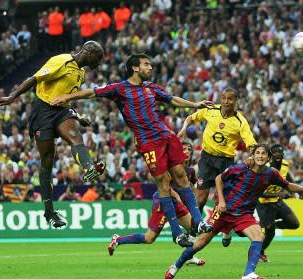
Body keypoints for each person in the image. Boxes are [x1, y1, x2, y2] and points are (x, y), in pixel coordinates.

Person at [50, 53, 214, 246]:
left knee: (182, 177)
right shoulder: (120, 89)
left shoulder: (151, 87)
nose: (150, 67)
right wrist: (68, 96)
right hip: (149, 142)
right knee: (164, 185)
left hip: (167, 136)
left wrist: (194, 105)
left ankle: (199, 221)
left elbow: (172, 99)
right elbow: (91, 93)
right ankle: (177, 233)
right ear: (135, 68)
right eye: (146, 64)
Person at [165, 144, 303, 279]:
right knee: (201, 243)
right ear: (253, 156)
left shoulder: (271, 174)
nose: (260, 156)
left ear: (268, 158)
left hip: (244, 214)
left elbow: (288, 185)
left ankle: (249, 273)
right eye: (258, 153)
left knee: (259, 236)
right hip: (224, 212)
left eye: (263, 153)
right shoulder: (241, 168)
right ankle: (176, 265)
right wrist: (221, 200)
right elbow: (219, 178)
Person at [0, 41, 106, 228]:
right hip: (43, 110)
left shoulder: (80, 73)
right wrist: (12, 97)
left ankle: (89, 168)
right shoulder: (62, 61)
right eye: (98, 58)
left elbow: (65, 98)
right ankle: (49, 212)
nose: (99, 62)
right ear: (88, 53)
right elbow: (34, 79)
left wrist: (78, 117)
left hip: (62, 111)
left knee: (75, 136)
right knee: (47, 158)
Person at [177, 87, 257, 245]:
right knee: (200, 198)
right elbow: (191, 118)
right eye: (224, 98)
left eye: (230, 99)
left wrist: (250, 156)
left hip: (226, 162)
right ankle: (192, 232)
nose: (226, 101)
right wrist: (184, 128)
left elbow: (251, 144)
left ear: (236, 101)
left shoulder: (240, 121)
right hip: (207, 159)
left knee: (225, 200)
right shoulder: (211, 110)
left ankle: (226, 230)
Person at [107, 141, 205, 265]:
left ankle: (189, 256)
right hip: (163, 201)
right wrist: (181, 201)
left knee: (193, 228)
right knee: (149, 238)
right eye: (184, 149)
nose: (186, 152)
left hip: (176, 203)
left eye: (189, 149)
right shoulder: (171, 167)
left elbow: (193, 186)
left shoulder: (190, 171)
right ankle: (118, 240)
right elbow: (166, 187)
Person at [256, 144, 300, 263]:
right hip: (264, 204)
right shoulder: (265, 168)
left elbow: (288, 177)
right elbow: (259, 193)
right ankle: (259, 252)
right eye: (274, 152)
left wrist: (298, 190)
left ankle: (267, 224)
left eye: (280, 152)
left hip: (277, 201)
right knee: (270, 232)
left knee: (294, 224)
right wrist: (280, 194)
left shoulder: (285, 164)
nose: (278, 154)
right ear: (270, 155)